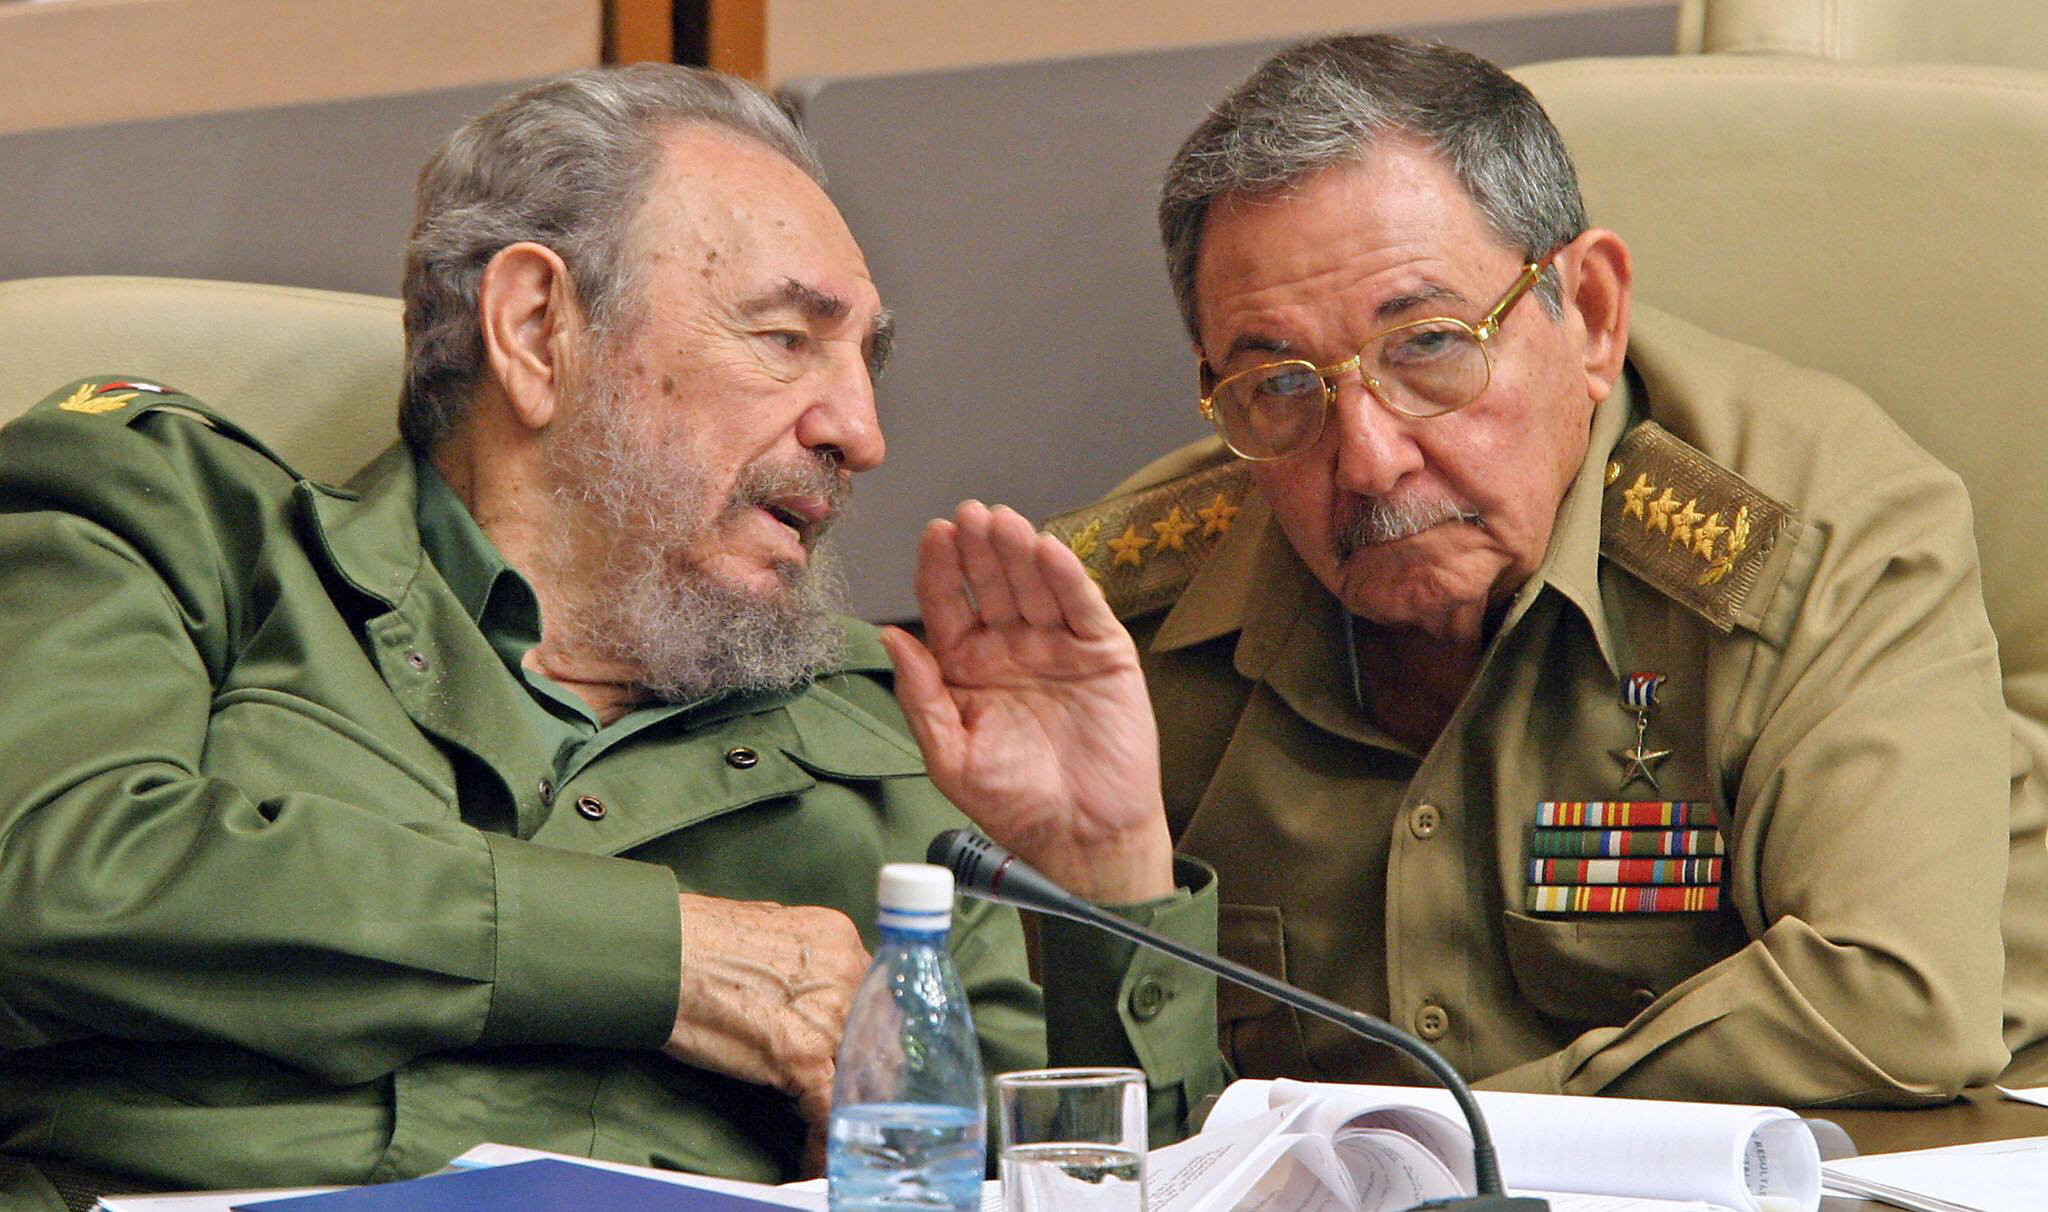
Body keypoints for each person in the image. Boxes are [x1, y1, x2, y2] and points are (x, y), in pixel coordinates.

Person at [0, 66, 1227, 1211]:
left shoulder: (894, 735)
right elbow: (55, 875)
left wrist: (1106, 874)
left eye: (866, 359)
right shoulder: (180, 531)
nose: (860, 428)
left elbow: (1081, 1185)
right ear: (538, 328)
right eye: (788, 337)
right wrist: (679, 960)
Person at [893, 33, 2048, 1107]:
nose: (1367, 456)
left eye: (1428, 348)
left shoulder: (1820, 540)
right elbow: (1064, 1125)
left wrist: (1440, 1147)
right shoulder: (1111, 635)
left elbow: (1898, 1002)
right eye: (1282, 385)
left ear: (1588, 316)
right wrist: (1109, 885)